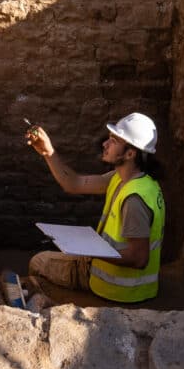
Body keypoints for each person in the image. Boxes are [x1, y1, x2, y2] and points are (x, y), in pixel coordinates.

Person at [25, 112, 165, 303]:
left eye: (114, 141)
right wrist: (48, 153)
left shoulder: (134, 200)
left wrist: (90, 250)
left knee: (38, 262)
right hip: (112, 276)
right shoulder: (127, 179)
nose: (105, 144)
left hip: (115, 289)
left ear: (130, 153)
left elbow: (139, 258)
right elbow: (73, 183)